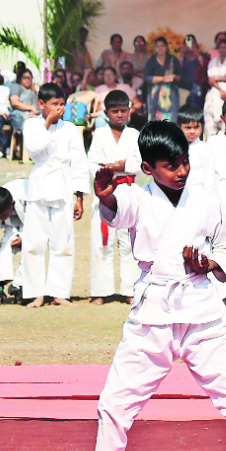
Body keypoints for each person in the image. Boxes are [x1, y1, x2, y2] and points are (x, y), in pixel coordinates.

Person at [90, 120, 226, 451]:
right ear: (147, 169)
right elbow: (119, 208)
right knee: (113, 408)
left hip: (203, 312)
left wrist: (209, 264)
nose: (181, 171)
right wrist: (106, 197)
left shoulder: (206, 199)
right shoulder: (137, 197)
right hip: (152, 314)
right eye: (170, 165)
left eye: (183, 161)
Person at [22, 82, 89, 307]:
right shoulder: (32, 125)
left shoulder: (69, 129)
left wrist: (79, 196)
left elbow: (79, 162)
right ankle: (36, 293)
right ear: (41, 104)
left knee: (63, 243)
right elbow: (33, 149)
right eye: (54, 105)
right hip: (39, 185)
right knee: (34, 242)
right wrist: (47, 123)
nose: (59, 109)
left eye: (62, 105)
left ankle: (59, 293)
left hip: (63, 186)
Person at [87, 89, 140, 304]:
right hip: (105, 191)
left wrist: (118, 165)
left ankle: (130, 290)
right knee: (102, 243)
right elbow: (92, 163)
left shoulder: (135, 135)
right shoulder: (99, 135)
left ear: (129, 111)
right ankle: (101, 291)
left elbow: (139, 164)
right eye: (115, 111)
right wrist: (113, 169)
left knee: (129, 243)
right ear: (105, 112)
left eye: (123, 111)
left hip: (127, 193)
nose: (120, 115)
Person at [141, 37, 184, 123]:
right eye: (158, 46)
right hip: (155, 94)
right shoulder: (152, 61)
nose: (160, 48)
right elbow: (146, 77)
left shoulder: (173, 60)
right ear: (155, 48)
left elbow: (180, 76)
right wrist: (163, 79)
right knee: (155, 119)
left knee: (171, 119)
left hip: (170, 94)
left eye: (162, 46)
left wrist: (173, 77)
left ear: (166, 47)